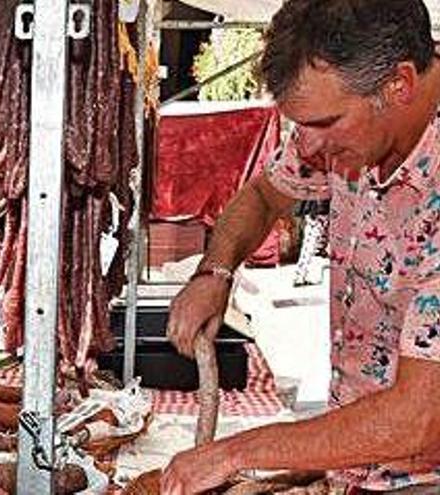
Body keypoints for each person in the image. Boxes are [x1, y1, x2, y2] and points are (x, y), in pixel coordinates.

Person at [162, 1, 440, 493]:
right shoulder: (340, 128)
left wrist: (234, 453)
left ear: (399, 84)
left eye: (323, 124)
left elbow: (419, 418)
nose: (307, 148)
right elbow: (264, 195)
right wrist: (215, 272)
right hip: (359, 462)